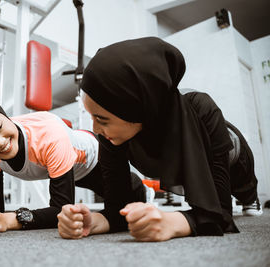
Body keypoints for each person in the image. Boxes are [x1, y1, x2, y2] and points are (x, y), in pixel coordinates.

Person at [56, 37, 262, 242]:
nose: (95, 129)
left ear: (137, 108)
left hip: (233, 157)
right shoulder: (110, 134)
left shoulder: (203, 109)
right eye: (92, 117)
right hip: (181, 151)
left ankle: (250, 197)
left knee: (248, 202)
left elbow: (220, 212)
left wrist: (171, 223)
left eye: (102, 119)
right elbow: (116, 206)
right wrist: (93, 221)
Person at [0, 93, 151, 232]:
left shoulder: (48, 134)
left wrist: (13, 220)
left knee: (126, 209)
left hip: (96, 158)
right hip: (66, 166)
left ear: (6, 116)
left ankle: (145, 191)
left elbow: (60, 210)